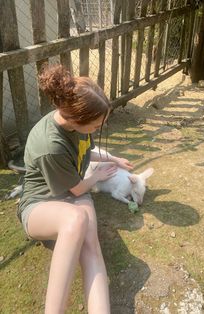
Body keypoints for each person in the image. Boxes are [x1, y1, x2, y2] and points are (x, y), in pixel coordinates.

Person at [18, 64, 133, 314]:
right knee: (77, 218)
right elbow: (80, 190)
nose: (96, 131)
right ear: (74, 118)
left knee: (91, 243)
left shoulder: (77, 125)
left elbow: (85, 152)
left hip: (72, 193)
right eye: (94, 127)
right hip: (40, 206)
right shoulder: (50, 145)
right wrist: (98, 177)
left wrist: (114, 160)